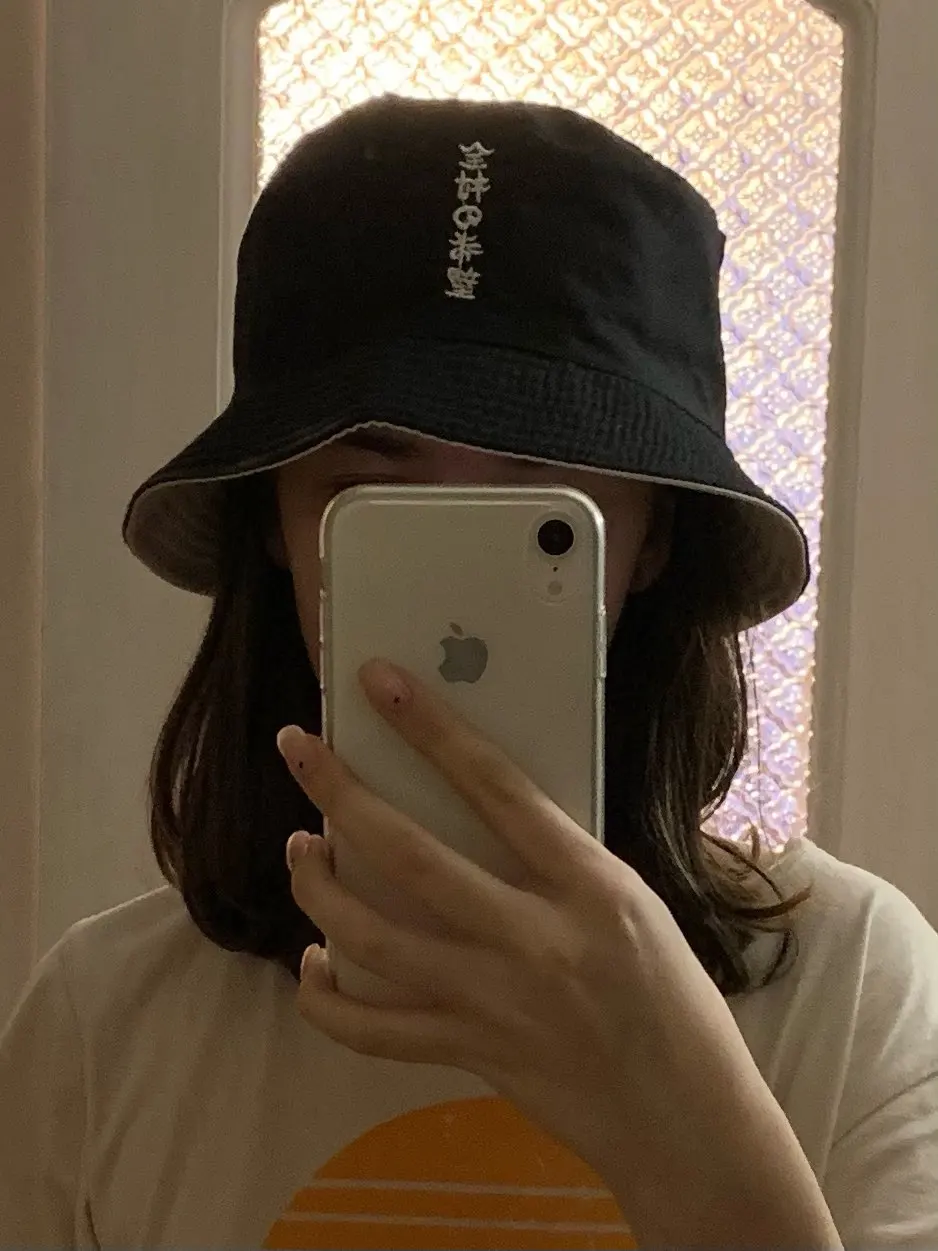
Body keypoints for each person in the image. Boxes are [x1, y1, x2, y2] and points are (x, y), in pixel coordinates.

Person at [1, 94, 936, 1250]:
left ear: (649, 542)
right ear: (276, 529)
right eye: (370, 489)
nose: (455, 575)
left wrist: (678, 1104)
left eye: (538, 493)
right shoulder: (106, 1023)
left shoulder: (847, 985)